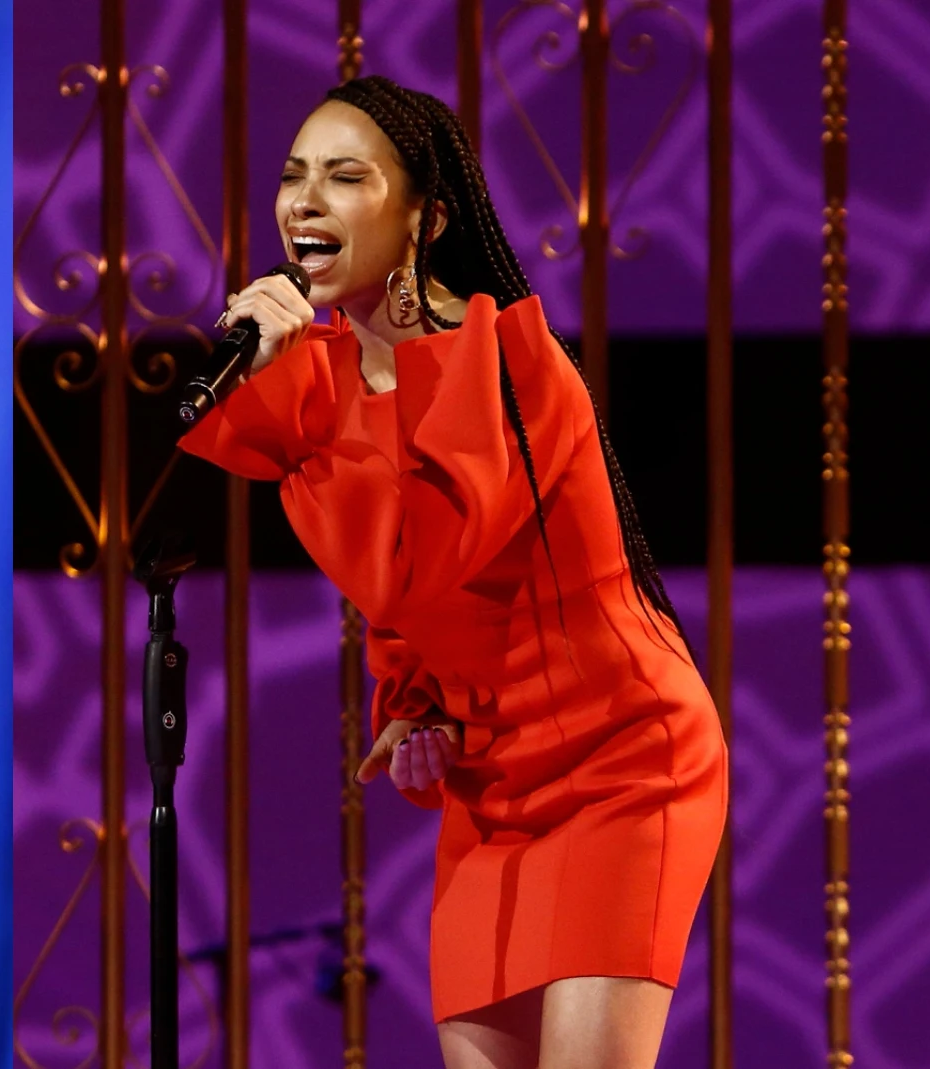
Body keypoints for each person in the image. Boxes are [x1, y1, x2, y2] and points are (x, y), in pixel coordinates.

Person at [179, 75, 726, 1068]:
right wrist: (423, 703)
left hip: (623, 764)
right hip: (494, 788)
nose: (304, 201)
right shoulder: (318, 385)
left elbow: (415, 558)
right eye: (293, 176)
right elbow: (420, 603)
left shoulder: (507, 365)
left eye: (345, 178)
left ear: (426, 216)